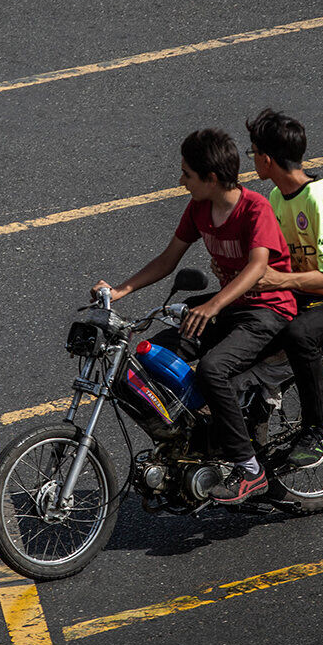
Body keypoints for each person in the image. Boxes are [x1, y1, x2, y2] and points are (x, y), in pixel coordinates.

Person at [92, 129, 296, 503]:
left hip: (267, 310)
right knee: (149, 352)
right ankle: (194, 433)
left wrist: (213, 304)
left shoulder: (255, 209)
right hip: (229, 306)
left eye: (187, 174)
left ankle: (251, 471)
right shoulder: (200, 208)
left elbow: (256, 268)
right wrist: (119, 291)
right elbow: (169, 260)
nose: (181, 181)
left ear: (212, 179)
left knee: (212, 369)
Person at [247, 109, 323, 469]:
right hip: (302, 294)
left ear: (266, 159)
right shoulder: (275, 196)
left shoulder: (318, 199)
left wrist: (278, 281)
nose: (251, 159)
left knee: (299, 334)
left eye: (253, 152)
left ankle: (320, 429)